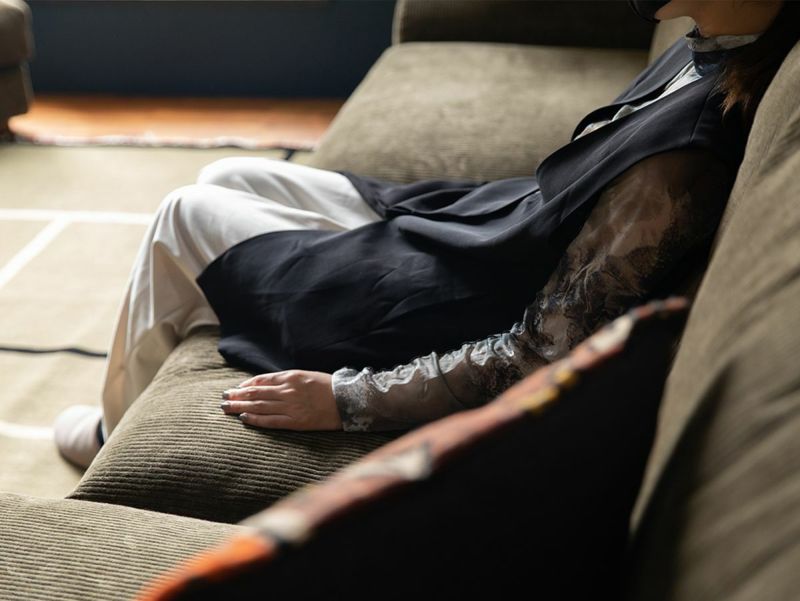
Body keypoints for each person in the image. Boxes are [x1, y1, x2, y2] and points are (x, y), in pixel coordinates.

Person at [54, 0, 797, 467]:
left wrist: (347, 399)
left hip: (451, 303)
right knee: (230, 175)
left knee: (183, 214)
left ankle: (114, 436)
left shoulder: (678, 166)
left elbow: (543, 351)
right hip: (480, 234)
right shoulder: (718, 39)